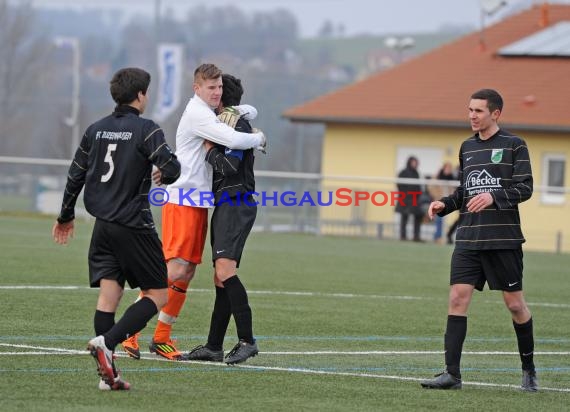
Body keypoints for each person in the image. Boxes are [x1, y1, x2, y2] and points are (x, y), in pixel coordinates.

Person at [121, 63, 266, 360]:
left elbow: (245, 110)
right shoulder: (200, 113)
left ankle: (161, 338)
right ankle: (129, 333)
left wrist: (243, 113)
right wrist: (259, 138)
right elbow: (236, 139)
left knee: (185, 271)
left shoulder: (213, 112)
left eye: (219, 88)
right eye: (210, 87)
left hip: (198, 201)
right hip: (183, 199)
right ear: (196, 88)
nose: (216, 93)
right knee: (173, 268)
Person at [52, 67, 181, 390]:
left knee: (110, 295)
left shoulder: (96, 130)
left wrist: (65, 215)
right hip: (134, 224)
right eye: (146, 93)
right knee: (158, 293)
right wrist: (164, 173)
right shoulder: (146, 129)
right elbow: (172, 167)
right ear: (140, 95)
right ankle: (106, 343)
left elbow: (75, 175)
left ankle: (109, 378)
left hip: (103, 226)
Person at [420, 89, 537, 391]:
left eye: (479, 111)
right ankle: (452, 375)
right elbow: (465, 191)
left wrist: (493, 196)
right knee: (457, 298)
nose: (472, 115)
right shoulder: (467, 147)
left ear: (495, 114)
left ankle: (528, 369)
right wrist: (444, 205)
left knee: (515, 306)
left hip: (503, 239)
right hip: (469, 239)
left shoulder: (514, 145)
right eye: (470, 110)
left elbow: (525, 188)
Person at [182, 74, 260, 365]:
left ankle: (247, 340)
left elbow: (229, 165)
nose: (212, 94)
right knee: (219, 276)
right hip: (226, 204)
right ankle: (214, 346)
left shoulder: (234, 124)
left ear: (222, 96)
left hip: (236, 203)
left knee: (226, 272)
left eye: (216, 90)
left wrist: (210, 151)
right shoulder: (226, 121)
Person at [395, 156, 424, 242]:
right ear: (409, 162)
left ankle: (416, 236)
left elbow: (418, 186)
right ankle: (403, 236)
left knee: (418, 216)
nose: (415, 164)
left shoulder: (416, 173)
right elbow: (399, 184)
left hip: (415, 198)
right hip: (405, 198)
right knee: (404, 217)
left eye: (416, 162)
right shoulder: (403, 172)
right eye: (413, 162)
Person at [428, 162, 456, 244]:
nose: (448, 170)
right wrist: (436, 197)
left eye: (449, 168)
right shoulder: (437, 178)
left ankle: (447, 236)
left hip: (449, 203)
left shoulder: (452, 178)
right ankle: (438, 237)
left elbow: (454, 190)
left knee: (450, 221)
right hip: (439, 201)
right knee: (439, 220)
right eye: (447, 168)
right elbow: (430, 187)